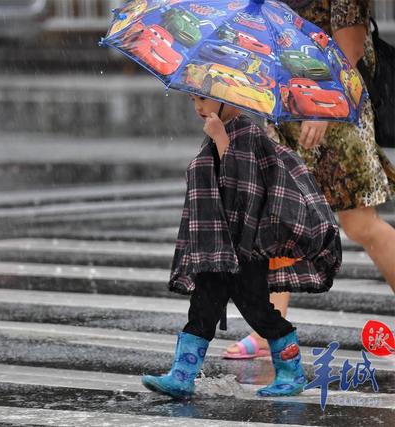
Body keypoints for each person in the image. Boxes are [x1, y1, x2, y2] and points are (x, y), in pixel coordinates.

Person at [224, 0, 395, 360]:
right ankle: (270, 328)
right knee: (277, 219)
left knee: (361, 224)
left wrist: (324, 102)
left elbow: (350, 42)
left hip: (334, 107)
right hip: (286, 104)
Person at [140, 95, 342, 398]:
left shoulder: (247, 132)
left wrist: (221, 140)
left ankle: (291, 372)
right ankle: (182, 376)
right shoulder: (219, 131)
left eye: (203, 99)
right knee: (203, 308)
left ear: (227, 98)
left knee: (257, 310)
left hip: (244, 248)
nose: (197, 107)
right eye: (193, 99)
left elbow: (242, 191)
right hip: (217, 245)